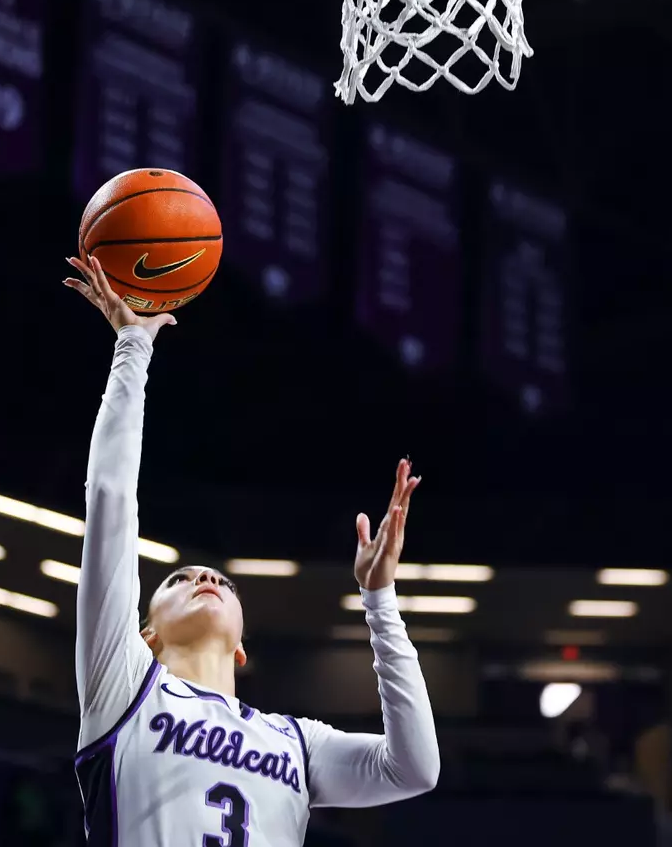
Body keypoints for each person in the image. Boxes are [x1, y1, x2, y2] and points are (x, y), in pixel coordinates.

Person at [63, 254, 440, 847]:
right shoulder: (124, 687)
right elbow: (111, 499)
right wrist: (133, 348)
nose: (206, 578)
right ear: (145, 636)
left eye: (221, 582)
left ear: (243, 647)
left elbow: (415, 768)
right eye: (179, 579)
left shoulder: (294, 741)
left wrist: (380, 599)